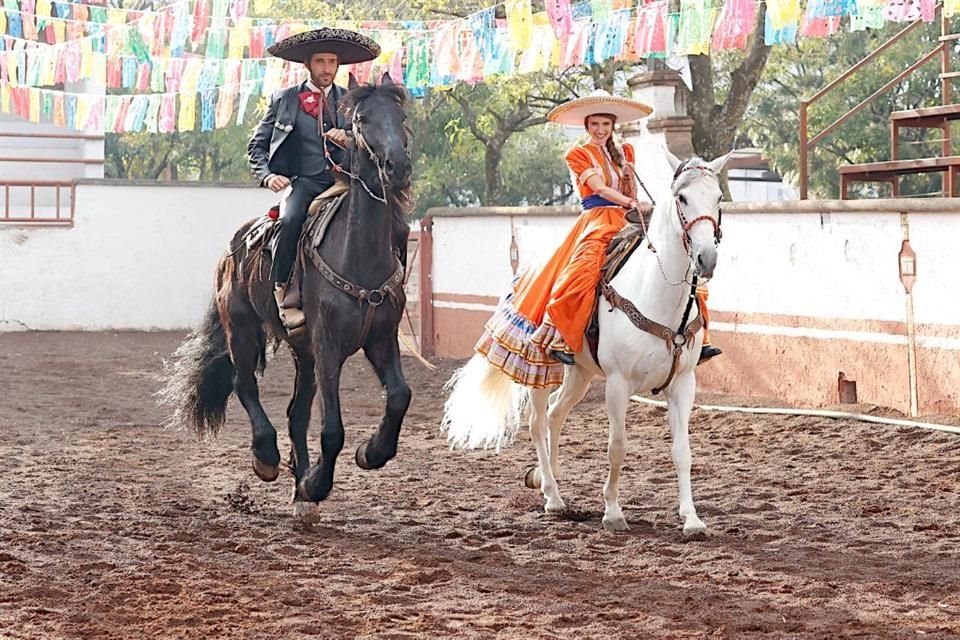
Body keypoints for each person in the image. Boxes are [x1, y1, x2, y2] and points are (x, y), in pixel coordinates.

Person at [475, 89, 718, 389]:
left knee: (678, 266)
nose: (600, 130)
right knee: (580, 274)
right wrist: (628, 203)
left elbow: (629, 192)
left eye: (605, 125)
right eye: (595, 125)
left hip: (631, 220)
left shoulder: (626, 153)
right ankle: (560, 339)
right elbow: (600, 189)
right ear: (587, 126)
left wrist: (634, 196)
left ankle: (700, 338)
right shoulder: (578, 154)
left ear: (612, 126)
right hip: (597, 222)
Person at [247, 28, 380, 331]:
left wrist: (348, 137)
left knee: (385, 218)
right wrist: (268, 176)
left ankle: (385, 291)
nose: (327, 68)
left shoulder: (351, 100)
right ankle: (284, 292)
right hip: (306, 182)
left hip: (347, 182)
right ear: (307, 64)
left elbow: (371, 140)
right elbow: (257, 145)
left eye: (332, 61)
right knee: (290, 219)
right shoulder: (285, 99)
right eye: (320, 61)